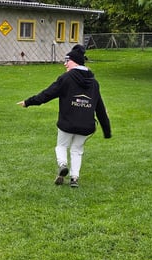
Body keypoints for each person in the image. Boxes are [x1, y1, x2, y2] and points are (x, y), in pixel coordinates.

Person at [17, 45, 111, 188]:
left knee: (61, 146)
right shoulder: (94, 83)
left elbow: (47, 94)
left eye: (67, 61)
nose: (64, 64)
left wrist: (28, 102)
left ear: (75, 62)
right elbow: (100, 108)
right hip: (86, 126)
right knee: (77, 150)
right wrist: (107, 130)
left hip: (67, 123)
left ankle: (62, 165)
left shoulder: (66, 78)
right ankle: (74, 178)